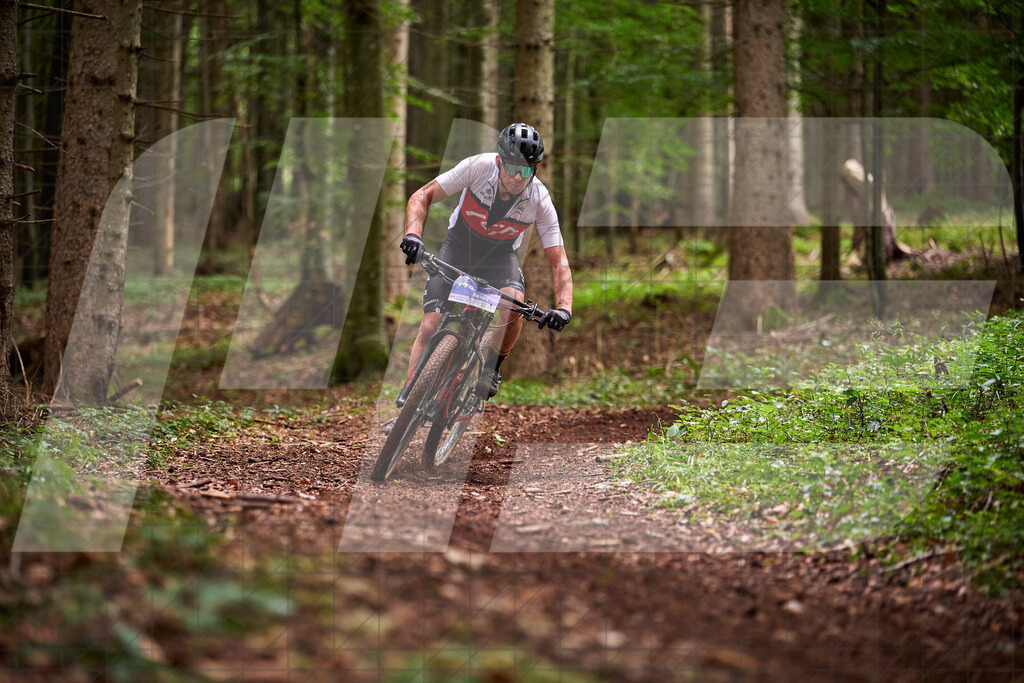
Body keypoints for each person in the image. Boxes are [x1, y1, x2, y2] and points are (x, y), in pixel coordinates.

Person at [398, 122, 574, 401]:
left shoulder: (539, 199)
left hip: (500, 256)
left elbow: (558, 259)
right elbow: (422, 196)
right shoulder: (478, 167)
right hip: (459, 246)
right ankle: (409, 396)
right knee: (431, 324)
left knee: (515, 301)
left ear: (535, 170)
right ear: (498, 161)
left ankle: (492, 368)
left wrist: (564, 308)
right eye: (511, 167)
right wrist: (412, 235)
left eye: (526, 170)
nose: (517, 177)